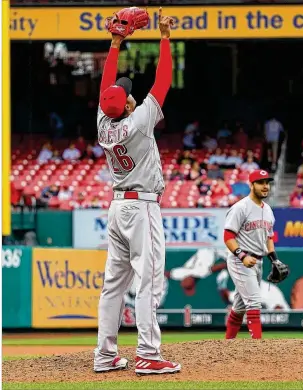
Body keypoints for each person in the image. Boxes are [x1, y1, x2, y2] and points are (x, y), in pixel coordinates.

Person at [93, 8, 181, 375]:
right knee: (148, 278)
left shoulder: (103, 124)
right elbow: (163, 82)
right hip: (142, 207)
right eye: (128, 94)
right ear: (128, 105)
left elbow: (105, 91)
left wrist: (115, 43)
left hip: (116, 208)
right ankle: (147, 352)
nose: (130, 93)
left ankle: (105, 354)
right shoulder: (139, 123)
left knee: (113, 284)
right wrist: (164, 38)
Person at [223, 169, 287, 339]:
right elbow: (228, 236)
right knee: (254, 302)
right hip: (240, 260)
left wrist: (274, 259)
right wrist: (242, 256)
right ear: (251, 185)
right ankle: (257, 347)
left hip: (258, 261)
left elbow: (269, 238)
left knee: (239, 307)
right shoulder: (240, 208)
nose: (265, 186)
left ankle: (227, 344)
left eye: (267, 183)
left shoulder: (268, 210)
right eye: (261, 183)